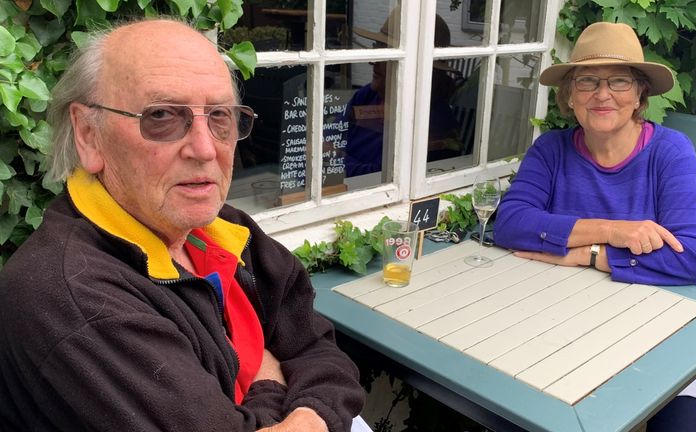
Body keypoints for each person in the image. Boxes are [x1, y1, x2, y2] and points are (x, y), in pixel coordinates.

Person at [0, 19, 367, 432]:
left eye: (220, 116)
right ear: (89, 135)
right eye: (161, 116)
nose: (205, 149)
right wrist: (267, 370)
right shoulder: (72, 298)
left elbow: (321, 350)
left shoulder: (224, 230)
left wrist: (309, 417)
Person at [494, 22, 696, 431]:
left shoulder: (670, 151)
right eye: (588, 81)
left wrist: (589, 255)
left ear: (639, 94)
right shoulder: (551, 150)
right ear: (570, 96)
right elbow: (510, 224)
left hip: (661, 324)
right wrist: (613, 231)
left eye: (619, 81)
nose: (602, 93)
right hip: (565, 323)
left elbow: (690, 259)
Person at [344, 9, 463, 177]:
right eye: (377, 48)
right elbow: (322, 146)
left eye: (388, 54)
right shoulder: (365, 96)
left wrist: (337, 160)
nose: (373, 62)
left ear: (416, 66)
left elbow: (382, 177)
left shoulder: (434, 121)